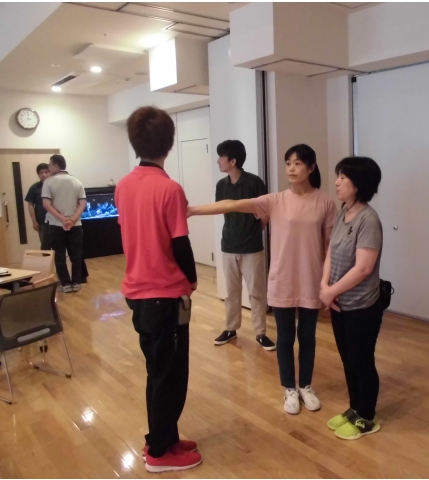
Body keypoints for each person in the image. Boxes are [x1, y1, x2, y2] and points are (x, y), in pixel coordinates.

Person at [189, 144, 337, 415]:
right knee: (285, 338)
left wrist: (327, 284)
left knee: (307, 337)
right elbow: (232, 205)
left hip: (311, 280)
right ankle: (289, 388)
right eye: (288, 163)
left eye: (298, 163)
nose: (291, 168)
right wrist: (193, 210)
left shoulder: (325, 202)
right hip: (282, 279)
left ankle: (305, 385)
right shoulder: (274, 200)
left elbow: (328, 247)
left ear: (311, 167)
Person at [115, 106, 202, 473]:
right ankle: (160, 453)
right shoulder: (170, 189)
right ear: (169, 142)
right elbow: (180, 243)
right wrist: (192, 279)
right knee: (171, 375)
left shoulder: (123, 185)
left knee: (158, 370)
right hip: (164, 295)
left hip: (138, 293)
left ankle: (162, 436)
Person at [321, 156, 384, 440]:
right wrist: (325, 285)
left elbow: (363, 268)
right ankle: (355, 408)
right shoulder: (343, 211)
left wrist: (330, 291)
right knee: (348, 359)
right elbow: (331, 252)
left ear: (358, 184)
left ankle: (367, 417)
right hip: (339, 303)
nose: (337, 182)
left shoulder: (368, 220)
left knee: (361, 360)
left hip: (361, 305)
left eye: (343, 178)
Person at [213, 140, 275, 351]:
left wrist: (255, 230)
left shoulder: (254, 183)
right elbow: (219, 209)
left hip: (252, 248)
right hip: (228, 246)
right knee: (231, 292)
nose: (218, 161)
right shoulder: (221, 186)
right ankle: (231, 329)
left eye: (221, 157)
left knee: (256, 292)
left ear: (233, 161)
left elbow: (266, 212)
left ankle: (260, 333)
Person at [42, 155, 86, 293]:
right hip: (75, 225)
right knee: (76, 255)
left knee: (59, 255)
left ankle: (65, 284)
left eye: (50, 165)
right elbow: (82, 203)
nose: (49, 168)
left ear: (56, 165)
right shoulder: (76, 181)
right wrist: (72, 220)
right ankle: (76, 282)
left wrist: (62, 219)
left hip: (56, 225)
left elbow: (46, 204)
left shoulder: (49, 182)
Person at [25, 163, 51, 250]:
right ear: (38, 174)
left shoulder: (55, 185)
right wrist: (34, 221)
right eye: (41, 173)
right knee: (45, 246)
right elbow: (30, 205)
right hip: (42, 221)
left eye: (46, 172)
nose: (44, 174)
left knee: (57, 245)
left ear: (50, 172)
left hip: (56, 221)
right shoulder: (34, 188)